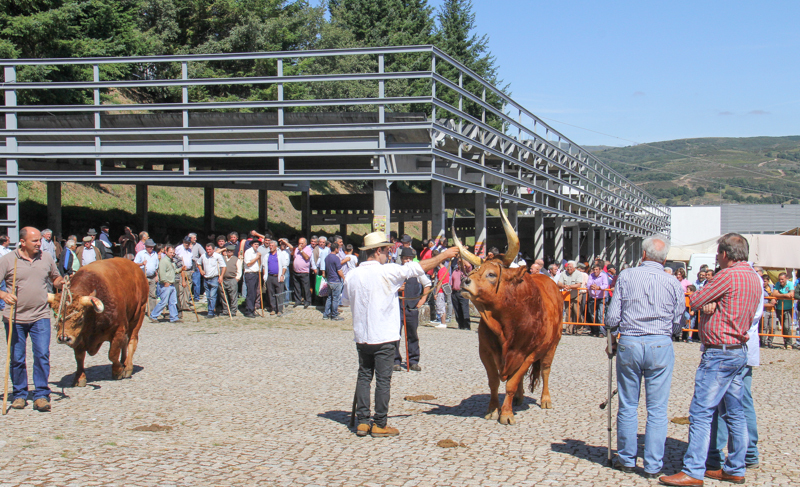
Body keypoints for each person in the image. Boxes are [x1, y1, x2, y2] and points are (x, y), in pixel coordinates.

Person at [660, 233, 762, 487]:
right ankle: (735, 467)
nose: (716, 258)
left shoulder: (727, 275)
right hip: (739, 349)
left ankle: (693, 470)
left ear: (725, 254)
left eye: (718, 254)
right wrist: (714, 302)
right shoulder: (753, 277)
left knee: (701, 412)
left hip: (719, 351)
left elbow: (694, 300)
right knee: (735, 412)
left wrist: (711, 300)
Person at [342, 231, 457, 437]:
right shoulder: (387, 271)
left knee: (364, 376)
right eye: (386, 250)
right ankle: (379, 423)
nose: (388, 253)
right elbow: (417, 267)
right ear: (377, 251)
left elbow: (346, 302)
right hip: (384, 335)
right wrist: (443, 256)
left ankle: (362, 421)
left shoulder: (352, 275)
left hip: (362, 336)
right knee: (383, 380)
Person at [604, 234, 683, 479]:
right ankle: (652, 465)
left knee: (628, 403)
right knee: (657, 409)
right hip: (660, 343)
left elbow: (611, 318)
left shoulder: (626, 276)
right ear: (665, 259)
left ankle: (626, 459)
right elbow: (678, 323)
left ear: (644, 254)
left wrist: (616, 333)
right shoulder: (672, 283)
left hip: (631, 342)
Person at [0, 227, 64, 412]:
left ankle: (41, 394)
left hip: (40, 316)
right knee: (18, 358)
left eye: (39, 241)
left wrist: (61, 282)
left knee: (42, 355)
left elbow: (55, 277)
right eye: (35, 241)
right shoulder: (8, 260)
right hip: (15, 318)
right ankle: (19, 394)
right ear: (22, 242)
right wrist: (4, 295)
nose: (39, 244)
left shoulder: (46, 258)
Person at [706, 263, 763, 472]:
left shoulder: (740, 277)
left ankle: (731, 452)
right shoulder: (751, 277)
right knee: (737, 403)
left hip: (733, 345)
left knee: (731, 403)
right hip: (740, 346)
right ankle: (739, 452)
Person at [394, 247, 432, 371]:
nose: (408, 261)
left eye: (410, 258)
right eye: (406, 258)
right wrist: (398, 289)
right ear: (402, 259)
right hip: (397, 307)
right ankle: (395, 361)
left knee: (412, 335)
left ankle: (413, 360)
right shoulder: (396, 270)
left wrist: (422, 300)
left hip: (411, 307)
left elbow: (427, 284)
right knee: (395, 335)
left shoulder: (417, 272)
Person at [149, 245, 182, 323]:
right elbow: (162, 273)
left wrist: (181, 269)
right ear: (166, 252)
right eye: (170, 252)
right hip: (166, 284)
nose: (172, 254)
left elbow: (173, 271)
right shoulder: (164, 261)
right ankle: (153, 316)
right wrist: (165, 281)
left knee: (173, 302)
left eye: (173, 253)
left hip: (171, 284)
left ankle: (174, 317)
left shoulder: (171, 261)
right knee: (163, 302)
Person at [198, 243, 225, 319]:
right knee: (208, 296)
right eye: (207, 249)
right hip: (206, 278)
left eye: (210, 249)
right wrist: (201, 270)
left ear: (213, 249)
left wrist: (221, 276)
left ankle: (211, 312)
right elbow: (198, 263)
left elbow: (223, 266)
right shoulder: (203, 256)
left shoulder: (217, 256)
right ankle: (211, 310)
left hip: (214, 278)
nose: (208, 251)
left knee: (212, 296)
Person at [772, 272, 797, 350]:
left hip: (788, 308)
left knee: (787, 326)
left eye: (782, 279)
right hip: (779, 307)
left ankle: (789, 343)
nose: (781, 281)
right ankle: (785, 342)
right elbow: (774, 293)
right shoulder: (777, 284)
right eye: (780, 279)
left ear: (786, 278)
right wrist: (785, 295)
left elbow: (791, 294)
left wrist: (780, 294)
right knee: (783, 327)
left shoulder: (789, 284)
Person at [263, 239, 288, 317]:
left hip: (278, 276)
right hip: (270, 277)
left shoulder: (280, 255)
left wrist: (282, 275)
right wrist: (265, 276)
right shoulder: (267, 255)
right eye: (270, 246)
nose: (270, 247)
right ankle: (273, 308)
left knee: (279, 293)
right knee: (271, 293)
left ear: (276, 247)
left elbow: (284, 266)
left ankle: (279, 309)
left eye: (272, 246)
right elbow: (264, 266)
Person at [134, 239, 159, 312]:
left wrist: (156, 275)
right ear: (146, 247)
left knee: (153, 295)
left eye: (152, 247)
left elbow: (156, 267)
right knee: (142, 294)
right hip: (143, 277)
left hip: (152, 276)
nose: (151, 248)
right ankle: (140, 310)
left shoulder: (155, 254)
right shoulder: (141, 254)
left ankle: (152, 311)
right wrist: (142, 264)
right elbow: (134, 264)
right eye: (150, 247)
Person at [558, 261, 582, 335]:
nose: (568, 268)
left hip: (577, 295)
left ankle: (579, 330)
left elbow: (578, 284)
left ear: (574, 268)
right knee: (568, 313)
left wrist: (570, 286)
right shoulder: (563, 273)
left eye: (570, 267)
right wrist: (563, 286)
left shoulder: (578, 273)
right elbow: (559, 283)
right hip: (567, 295)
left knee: (577, 312)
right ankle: (569, 330)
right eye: (567, 267)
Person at [323, 241, 344, 321]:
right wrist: (344, 278)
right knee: (335, 298)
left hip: (329, 280)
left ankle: (326, 313)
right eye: (338, 248)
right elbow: (339, 270)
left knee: (329, 297)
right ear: (336, 249)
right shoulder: (336, 258)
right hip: (336, 280)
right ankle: (334, 314)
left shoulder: (327, 257)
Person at [586, 263, 609, 337]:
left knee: (601, 315)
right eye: (594, 269)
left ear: (600, 270)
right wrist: (591, 286)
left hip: (601, 297)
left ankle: (602, 332)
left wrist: (599, 287)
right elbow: (588, 284)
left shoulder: (604, 276)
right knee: (593, 314)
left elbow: (605, 285)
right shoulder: (591, 276)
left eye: (596, 270)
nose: (595, 271)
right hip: (593, 297)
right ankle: (595, 331)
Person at [242, 239, 263, 318]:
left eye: (257, 244)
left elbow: (259, 263)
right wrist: (256, 257)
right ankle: (248, 311)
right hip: (250, 274)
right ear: (252, 245)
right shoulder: (248, 252)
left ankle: (252, 309)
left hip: (256, 273)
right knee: (250, 293)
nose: (256, 246)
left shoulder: (256, 252)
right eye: (255, 244)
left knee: (255, 293)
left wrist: (259, 257)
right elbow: (248, 263)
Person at [430, 251, 449, 329]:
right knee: (441, 306)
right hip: (442, 291)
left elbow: (440, 282)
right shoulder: (445, 269)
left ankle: (443, 322)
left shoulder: (441, 271)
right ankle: (441, 321)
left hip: (441, 291)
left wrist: (436, 293)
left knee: (440, 306)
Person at [220, 244, 241, 317]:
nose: (229, 252)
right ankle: (225, 310)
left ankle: (233, 311)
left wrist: (236, 279)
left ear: (233, 252)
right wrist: (223, 249)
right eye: (228, 250)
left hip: (232, 279)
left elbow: (239, 271)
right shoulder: (222, 258)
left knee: (233, 296)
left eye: (231, 251)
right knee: (223, 296)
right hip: (223, 279)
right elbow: (215, 253)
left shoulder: (236, 259)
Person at [451, 259, 471, 330]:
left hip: (463, 291)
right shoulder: (455, 271)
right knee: (457, 309)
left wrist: (462, 259)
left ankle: (466, 325)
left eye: (459, 262)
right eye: (458, 262)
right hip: (454, 292)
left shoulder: (466, 271)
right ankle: (460, 324)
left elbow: (468, 265)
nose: (458, 263)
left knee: (464, 309)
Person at [292, 237, 312, 308]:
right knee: (297, 287)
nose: (300, 245)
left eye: (302, 243)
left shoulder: (308, 249)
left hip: (304, 272)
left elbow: (307, 257)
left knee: (305, 287)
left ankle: (307, 301)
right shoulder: (296, 249)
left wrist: (301, 251)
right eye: (299, 243)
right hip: (296, 271)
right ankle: (298, 300)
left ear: (305, 244)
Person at [760, 274, 775, 348]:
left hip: (772, 310)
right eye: (762, 281)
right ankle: (763, 342)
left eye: (765, 281)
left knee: (773, 327)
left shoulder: (772, 287)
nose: (764, 283)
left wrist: (774, 299)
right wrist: (767, 305)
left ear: (768, 281)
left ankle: (770, 342)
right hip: (765, 310)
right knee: (764, 327)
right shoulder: (760, 289)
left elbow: (776, 295)